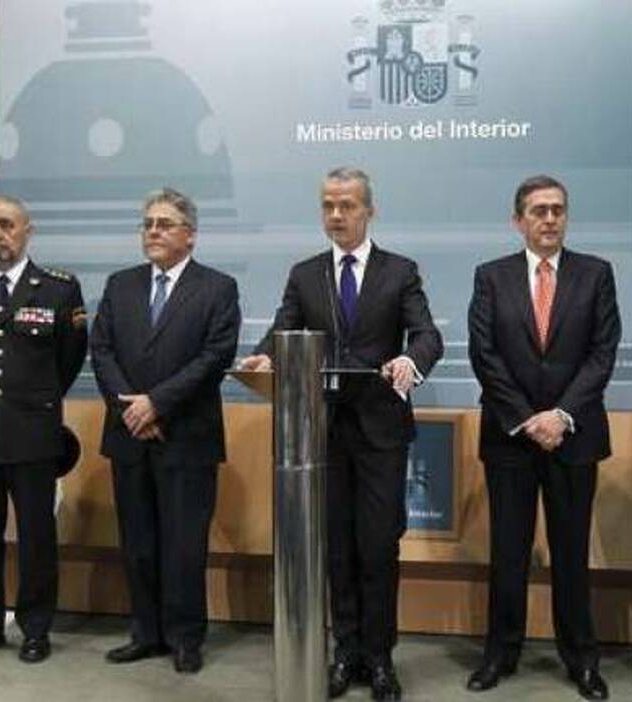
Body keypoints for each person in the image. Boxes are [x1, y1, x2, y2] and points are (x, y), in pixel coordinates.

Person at [238, 167, 442, 701]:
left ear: (369, 210)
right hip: (321, 432)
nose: (336, 214)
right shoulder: (305, 274)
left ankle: (380, 657)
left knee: (378, 548)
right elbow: (283, 328)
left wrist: (410, 361)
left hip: (380, 432)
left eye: (347, 205)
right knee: (336, 550)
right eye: (328, 205)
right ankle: (345, 651)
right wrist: (264, 355)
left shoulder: (400, 271)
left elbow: (426, 335)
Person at [465, 175, 619, 700]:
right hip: (510, 437)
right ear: (518, 221)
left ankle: (581, 659)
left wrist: (561, 416)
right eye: (538, 210)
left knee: (571, 554)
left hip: (574, 437)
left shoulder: (596, 274)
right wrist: (528, 419)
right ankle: (499, 654)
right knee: (508, 553)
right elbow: (484, 353)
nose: (550, 219)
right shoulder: (491, 276)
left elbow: (602, 352)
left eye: (557, 209)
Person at [90, 188, 240, 674]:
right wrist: (132, 409)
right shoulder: (121, 284)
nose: (153, 231)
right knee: (138, 543)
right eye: (148, 223)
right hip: (129, 435)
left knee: (183, 545)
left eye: (165, 223)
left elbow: (214, 358)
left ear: (189, 235)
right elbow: (102, 350)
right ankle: (146, 633)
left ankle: (185, 637)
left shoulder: (218, 288)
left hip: (186, 437)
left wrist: (157, 404)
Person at [0, 196, 88, 665]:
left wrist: (33, 400)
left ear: (27, 230)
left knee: (36, 537)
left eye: (6, 225)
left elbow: (68, 359)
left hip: (32, 433)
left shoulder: (58, 289)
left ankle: (35, 628)